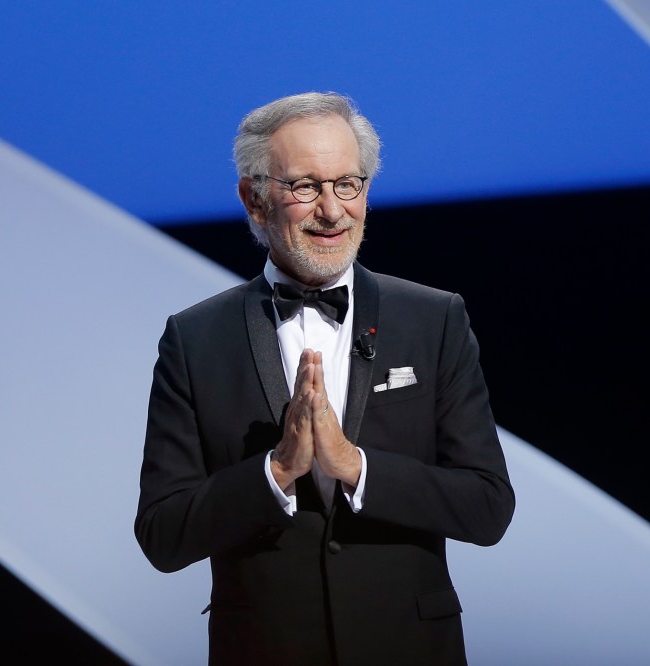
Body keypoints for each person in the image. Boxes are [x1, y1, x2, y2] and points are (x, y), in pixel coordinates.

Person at [135, 92, 514, 666]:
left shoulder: (433, 319)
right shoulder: (194, 339)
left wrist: (356, 467)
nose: (333, 210)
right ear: (254, 200)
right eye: (305, 187)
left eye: (347, 184)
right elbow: (163, 534)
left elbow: (487, 508)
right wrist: (277, 470)